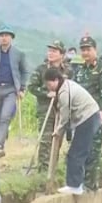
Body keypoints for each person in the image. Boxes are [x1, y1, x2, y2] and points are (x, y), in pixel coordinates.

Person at [46, 67, 102, 195]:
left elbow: (65, 117)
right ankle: (76, 184)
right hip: (90, 116)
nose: (49, 88)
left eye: (49, 84)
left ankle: (75, 186)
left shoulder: (64, 93)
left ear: (56, 80)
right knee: (78, 152)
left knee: (76, 153)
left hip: (87, 118)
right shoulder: (66, 85)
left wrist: (58, 131)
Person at [73, 35, 102, 191]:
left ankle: (90, 185)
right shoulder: (80, 69)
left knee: (93, 151)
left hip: (96, 115)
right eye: (83, 50)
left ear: (95, 50)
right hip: (81, 116)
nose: (85, 53)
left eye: (88, 49)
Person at [27, 40, 70, 172]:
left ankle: (53, 168)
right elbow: (32, 87)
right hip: (46, 108)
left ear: (61, 54)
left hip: (62, 108)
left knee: (57, 138)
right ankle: (43, 168)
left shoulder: (67, 71)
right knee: (45, 139)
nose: (50, 53)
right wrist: (47, 93)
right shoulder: (41, 69)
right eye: (49, 50)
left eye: (54, 51)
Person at [0, 27, 28, 157]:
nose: (4, 38)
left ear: (11, 37)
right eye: (1, 36)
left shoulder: (18, 53)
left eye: (6, 35)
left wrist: (22, 88)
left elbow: (24, 71)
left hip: (11, 90)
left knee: (5, 116)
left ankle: (0, 145)